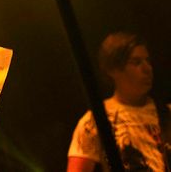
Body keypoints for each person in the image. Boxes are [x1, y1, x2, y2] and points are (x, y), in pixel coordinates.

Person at [68, 32, 171, 171]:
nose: (148, 69)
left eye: (148, 61)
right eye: (136, 62)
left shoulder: (167, 114)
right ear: (113, 69)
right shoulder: (95, 121)